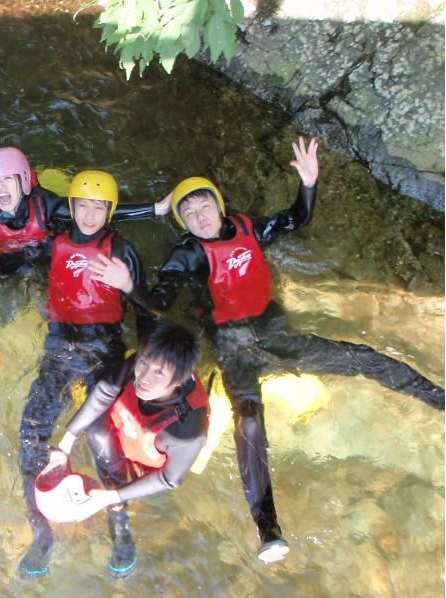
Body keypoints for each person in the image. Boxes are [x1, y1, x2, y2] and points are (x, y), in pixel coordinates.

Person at [88, 136, 445, 564]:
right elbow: (161, 301)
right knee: (251, 423)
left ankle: (436, 397)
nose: (199, 216)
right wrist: (130, 287)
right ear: (183, 223)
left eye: (204, 206)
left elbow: (297, 218)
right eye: (189, 213)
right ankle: (267, 526)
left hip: (273, 330)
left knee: (361, 358)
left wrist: (308, 184)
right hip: (231, 341)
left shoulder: (249, 227)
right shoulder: (188, 254)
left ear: (219, 206)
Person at [0, 169, 155, 578]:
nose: (90, 213)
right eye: (82, 205)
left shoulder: (122, 250)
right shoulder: (52, 244)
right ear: (71, 207)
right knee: (30, 436)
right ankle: (42, 534)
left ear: (109, 212)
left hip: (104, 349)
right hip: (59, 347)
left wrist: (145, 359)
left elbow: (147, 309)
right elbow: (10, 264)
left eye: (98, 206)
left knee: (103, 444)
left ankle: (121, 530)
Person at [42, 321, 209, 578]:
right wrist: (67, 440)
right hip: (129, 434)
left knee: (156, 501)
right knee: (96, 430)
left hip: (153, 463)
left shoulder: (188, 431)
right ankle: (116, 502)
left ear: (179, 380)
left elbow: (169, 479)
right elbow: (105, 391)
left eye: (159, 374)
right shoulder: (146, 361)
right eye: (143, 363)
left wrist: (113, 497)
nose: (143, 377)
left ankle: (120, 523)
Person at [0, 146, 170, 274]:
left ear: (24, 182)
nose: (1, 189)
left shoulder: (47, 205)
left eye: (7, 180)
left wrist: (156, 209)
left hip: (43, 253)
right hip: (2, 261)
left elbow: (101, 211)